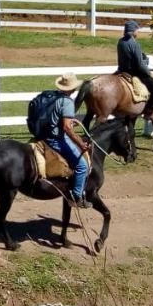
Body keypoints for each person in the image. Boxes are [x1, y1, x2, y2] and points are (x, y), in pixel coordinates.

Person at [45, 73, 91, 208]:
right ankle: (75, 197)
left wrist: (70, 122)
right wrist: (81, 144)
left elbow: (57, 119)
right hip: (55, 138)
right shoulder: (67, 102)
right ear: (73, 88)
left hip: (43, 133)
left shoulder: (52, 95)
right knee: (82, 166)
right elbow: (66, 128)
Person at [116, 20, 153, 109]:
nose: (138, 31)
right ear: (133, 31)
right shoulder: (135, 44)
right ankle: (149, 110)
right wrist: (148, 72)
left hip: (121, 70)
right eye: (137, 30)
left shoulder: (120, 41)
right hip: (134, 72)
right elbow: (140, 65)